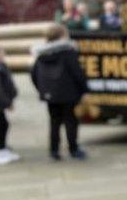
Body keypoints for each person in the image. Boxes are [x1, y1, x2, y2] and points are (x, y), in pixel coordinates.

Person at [31, 24, 89, 160]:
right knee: (71, 122)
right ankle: (73, 149)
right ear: (62, 36)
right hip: (69, 93)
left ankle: (54, 151)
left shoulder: (41, 55)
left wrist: (42, 89)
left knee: (54, 122)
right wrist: (84, 90)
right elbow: (77, 73)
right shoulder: (68, 52)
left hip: (50, 94)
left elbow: (34, 74)